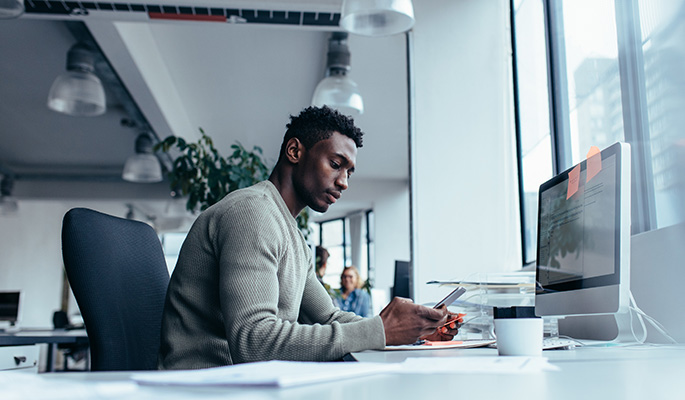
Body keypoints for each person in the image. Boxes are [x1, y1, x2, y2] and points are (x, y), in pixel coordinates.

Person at [158, 106, 458, 369]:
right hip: (205, 387)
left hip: (246, 384)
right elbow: (253, 342)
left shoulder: (292, 236)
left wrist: (414, 330)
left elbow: (329, 318)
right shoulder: (252, 213)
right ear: (295, 151)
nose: (343, 182)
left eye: (349, 172)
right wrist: (381, 330)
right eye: (336, 164)